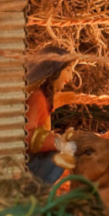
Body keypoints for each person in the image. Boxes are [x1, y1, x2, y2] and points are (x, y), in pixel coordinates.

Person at [23, 46, 77, 184]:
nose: (70, 78)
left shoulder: (45, 98)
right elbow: (26, 135)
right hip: (24, 161)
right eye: (68, 71)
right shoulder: (38, 98)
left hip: (32, 157)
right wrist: (56, 142)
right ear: (55, 72)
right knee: (61, 155)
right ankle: (35, 191)